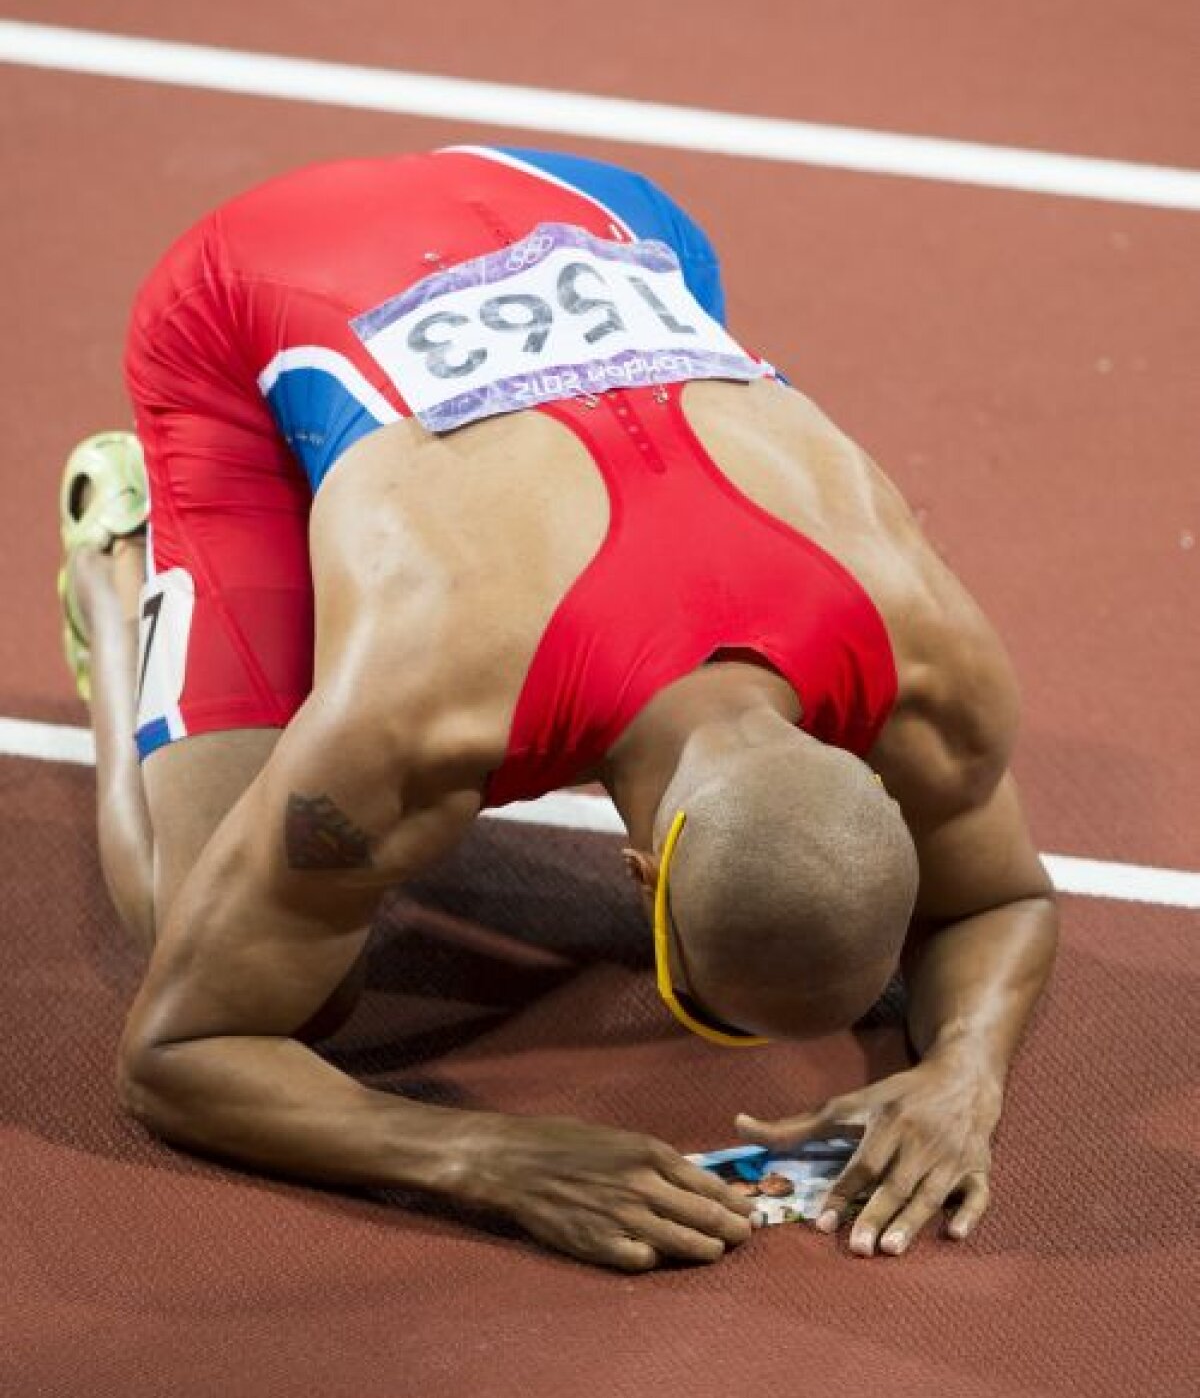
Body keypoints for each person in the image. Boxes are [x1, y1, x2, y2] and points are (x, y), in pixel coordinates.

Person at [58, 145, 1057, 1273]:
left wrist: (964, 1073)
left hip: (609, 217)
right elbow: (182, 1047)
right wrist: (489, 1157)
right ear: (642, 878)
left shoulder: (925, 652)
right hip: (264, 281)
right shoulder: (415, 718)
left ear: (880, 769)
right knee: (240, 953)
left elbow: (999, 898)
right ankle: (123, 558)